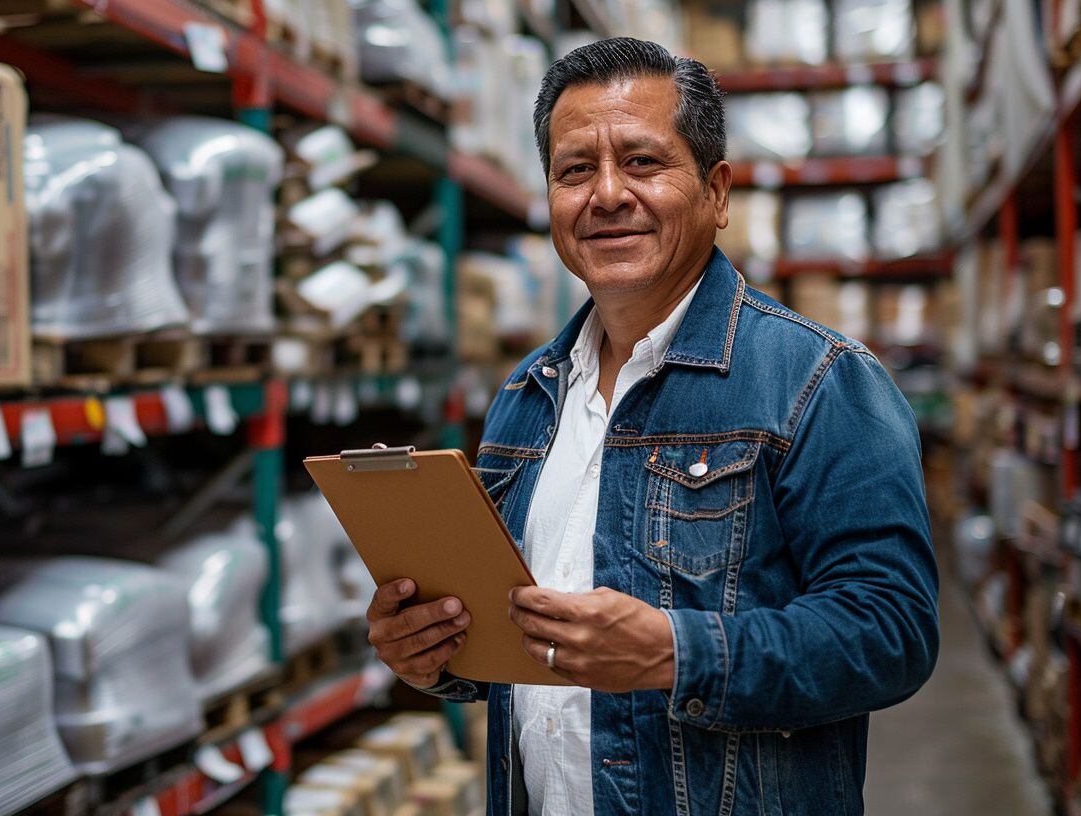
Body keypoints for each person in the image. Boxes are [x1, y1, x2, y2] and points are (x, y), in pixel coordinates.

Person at [364, 38, 939, 815]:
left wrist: (677, 653)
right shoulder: (527, 396)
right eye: (574, 171)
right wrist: (436, 653)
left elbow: (890, 631)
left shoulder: (818, 380)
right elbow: (521, 637)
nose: (606, 195)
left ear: (717, 190)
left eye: (642, 162)